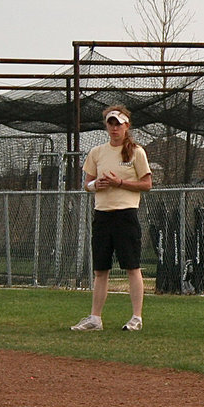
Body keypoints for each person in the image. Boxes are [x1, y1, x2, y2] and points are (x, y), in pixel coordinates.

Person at [71, 105, 152, 332]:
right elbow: (87, 184)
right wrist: (95, 185)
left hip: (126, 215)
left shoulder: (137, 152)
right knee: (100, 270)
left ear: (127, 125)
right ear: (106, 125)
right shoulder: (97, 152)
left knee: (132, 267)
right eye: (111, 123)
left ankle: (136, 317)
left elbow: (146, 184)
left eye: (119, 123)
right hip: (102, 215)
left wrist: (120, 183)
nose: (114, 128)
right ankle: (95, 319)